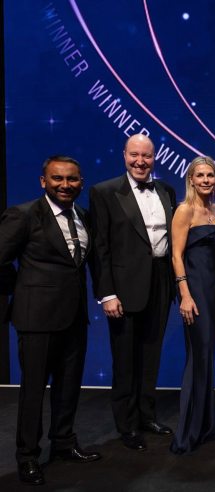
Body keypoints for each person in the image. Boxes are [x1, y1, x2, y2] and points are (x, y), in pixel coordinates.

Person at [0, 156, 101, 485]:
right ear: (44, 181)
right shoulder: (24, 214)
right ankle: (27, 455)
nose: (65, 185)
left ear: (81, 182)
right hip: (36, 319)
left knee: (68, 386)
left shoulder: (83, 215)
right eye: (58, 178)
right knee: (33, 391)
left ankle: (64, 443)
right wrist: (22, 290)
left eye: (72, 179)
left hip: (74, 317)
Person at [89, 134, 177, 451]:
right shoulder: (104, 191)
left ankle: (146, 416)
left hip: (161, 280)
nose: (141, 161)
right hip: (124, 288)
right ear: (124, 155)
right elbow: (99, 248)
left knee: (151, 355)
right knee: (125, 359)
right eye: (135, 155)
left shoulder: (167, 190)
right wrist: (107, 294)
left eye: (147, 156)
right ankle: (127, 426)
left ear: (155, 158)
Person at [169, 156, 215, 455]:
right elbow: (176, 255)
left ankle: (208, 423)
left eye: (211, 175)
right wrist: (185, 294)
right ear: (191, 180)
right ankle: (188, 433)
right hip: (194, 292)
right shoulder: (184, 210)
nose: (206, 180)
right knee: (198, 356)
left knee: (207, 356)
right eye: (200, 175)